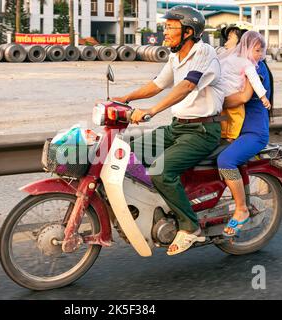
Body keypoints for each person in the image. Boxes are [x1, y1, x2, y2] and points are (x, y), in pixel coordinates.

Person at [111, 5, 225, 255]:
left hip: (202, 131)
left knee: (161, 172)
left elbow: (185, 86)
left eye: (170, 27)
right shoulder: (175, 57)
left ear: (188, 31)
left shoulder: (204, 52)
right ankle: (157, 206)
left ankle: (190, 227)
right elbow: (157, 84)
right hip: (177, 128)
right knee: (125, 154)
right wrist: (125, 98)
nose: (165, 32)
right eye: (166, 27)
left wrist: (152, 111)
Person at [217, 31, 273, 237]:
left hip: (253, 132)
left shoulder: (254, 68)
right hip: (236, 129)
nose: (228, 43)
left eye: (232, 39)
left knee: (226, 160)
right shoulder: (238, 63)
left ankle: (241, 209)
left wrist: (215, 102)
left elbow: (242, 97)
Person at [219, 31, 272, 142]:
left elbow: (244, 97)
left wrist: (217, 100)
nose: (226, 43)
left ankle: (228, 135)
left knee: (227, 117)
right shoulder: (243, 62)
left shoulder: (253, 65)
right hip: (230, 95)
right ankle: (229, 135)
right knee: (232, 117)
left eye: (229, 38)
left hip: (253, 126)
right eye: (257, 51)